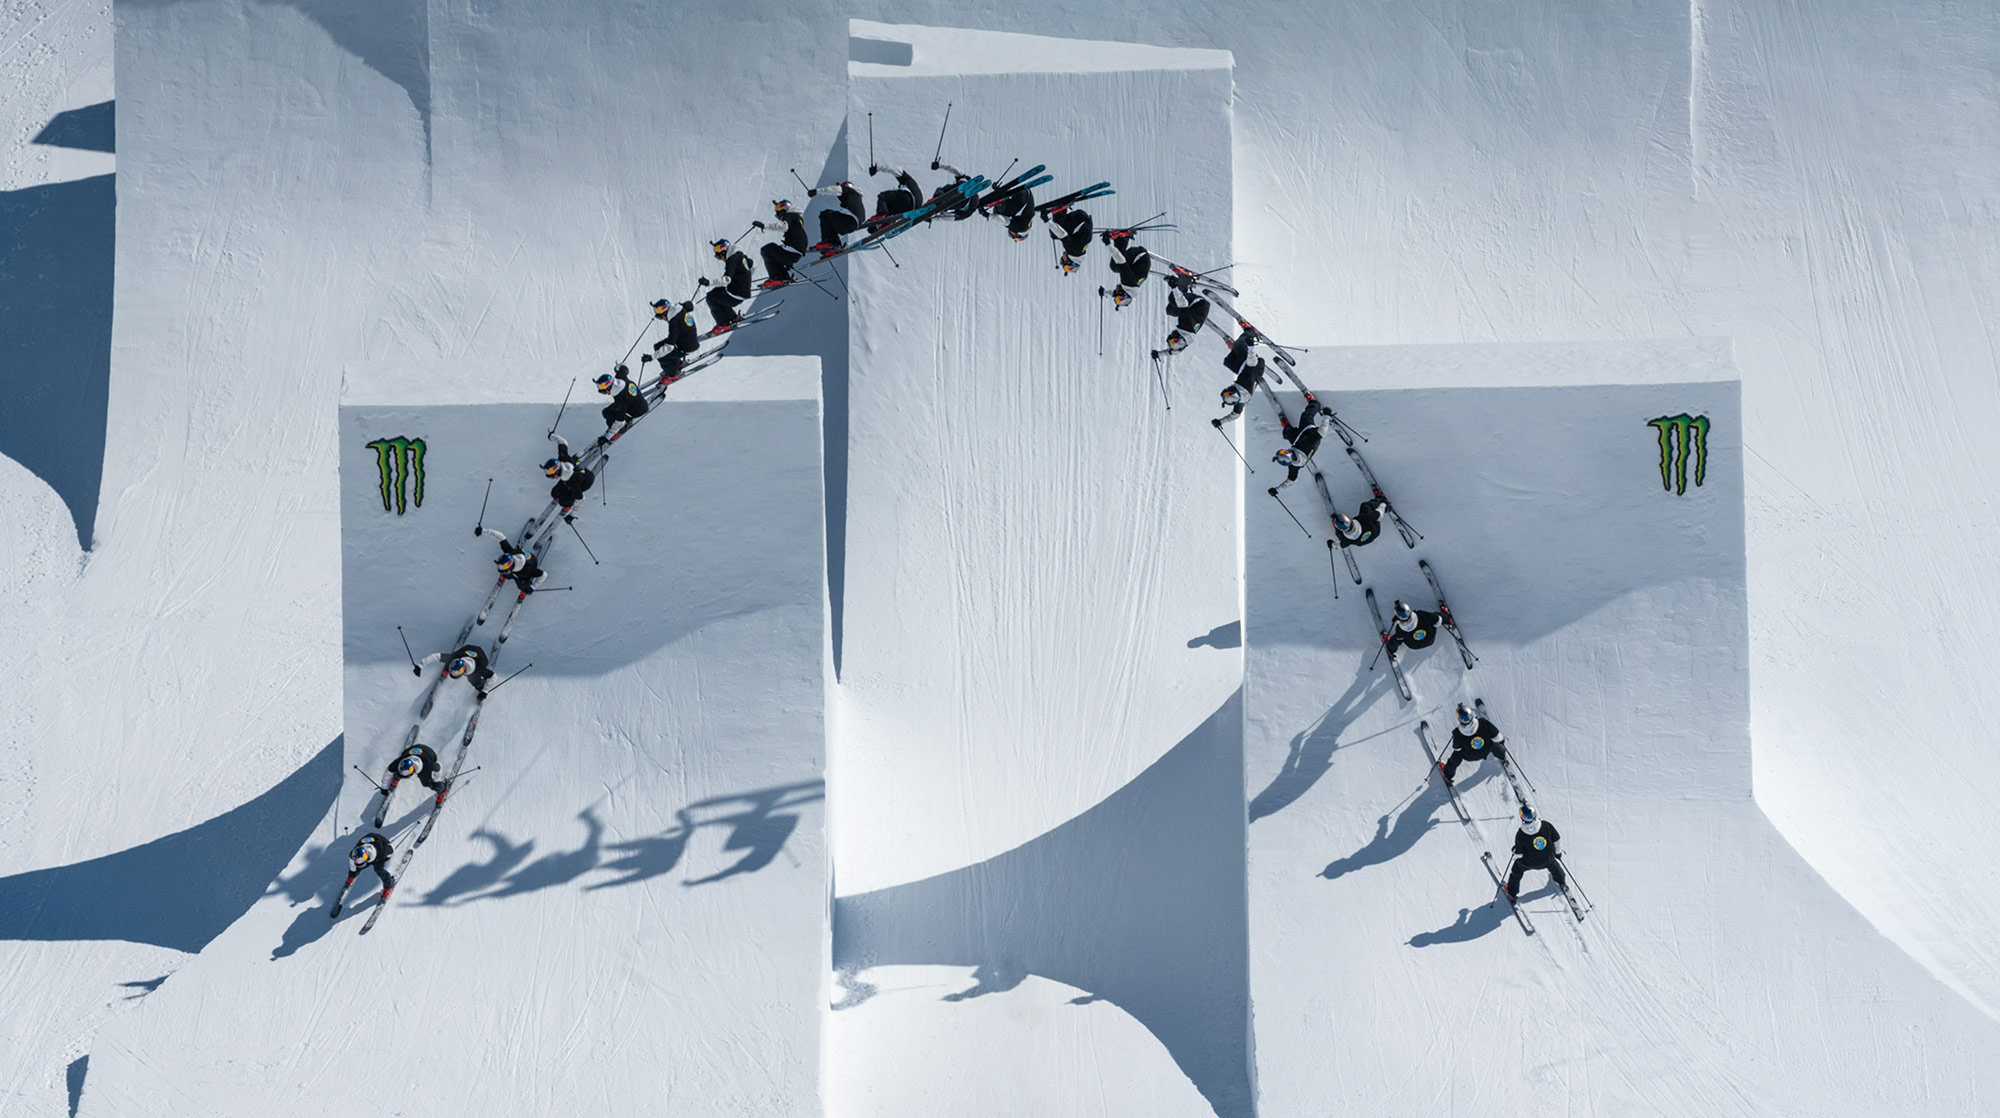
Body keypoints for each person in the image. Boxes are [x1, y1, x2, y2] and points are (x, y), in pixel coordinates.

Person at [1504, 804, 1567, 900]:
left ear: (1523, 818)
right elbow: (1556, 840)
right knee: (1553, 864)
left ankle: (1511, 892)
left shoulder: (1521, 834)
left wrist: (1515, 851)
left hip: (1531, 863)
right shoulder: (1546, 825)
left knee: (1517, 869)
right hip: (1548, 858)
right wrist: (1558, 854)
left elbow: (1519, 854)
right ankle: (1561, 881)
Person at [1440, 701, 1509, 783]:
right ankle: (1502, 756)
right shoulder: (1483, 722)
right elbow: (1497, 736)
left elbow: (1456, 748)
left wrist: (1456, 736)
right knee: (1494, 743)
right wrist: (1501, 742)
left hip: (1470, 756)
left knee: (1456, 756)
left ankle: (1448, 774)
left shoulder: (1458, 733)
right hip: (1486, 750)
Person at [703, 239, 755, 331]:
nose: (721, 259)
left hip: (736, 294)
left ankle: (723, 324)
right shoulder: (739, 255)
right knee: (717, 293)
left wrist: (709, 282)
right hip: (743, 291)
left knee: (710, 298)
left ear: (724, 252)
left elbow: (727, 279)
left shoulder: (732, 260)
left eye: (719, 257)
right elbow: (750, 263)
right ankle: (733, 318)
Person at [481, 528, 546, 596]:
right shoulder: (509, 552)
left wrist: (533, 586)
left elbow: (544, 575)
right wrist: (484, 531)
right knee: (508, 574)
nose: (499, 567)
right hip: (518, 563)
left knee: (521, 585)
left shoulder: (528, 570)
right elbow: (501, 537)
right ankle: (506, 575)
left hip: (529, 566)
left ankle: (523, 592)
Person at [758, 200, 808, 288]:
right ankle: (783, 276)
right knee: (775, 250)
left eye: (778, 210)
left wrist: (764, 226)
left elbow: (783, 226)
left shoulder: (789, 215)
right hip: (796, 252)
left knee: (766, 250)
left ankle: (777, 277)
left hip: (791, 252)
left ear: (783, 209)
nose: (778, 215)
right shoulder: (798, 218)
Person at [595, 365, 650, 443]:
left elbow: (620, 421)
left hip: (638, 411)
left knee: (608, 414)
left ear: (609, 388)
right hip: (638, 402)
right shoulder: (620, 378)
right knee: (606, 411)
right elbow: (624, 369)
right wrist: (618, 367)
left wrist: (608, 436)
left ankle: (619, 431)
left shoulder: (620, 402)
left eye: (604, 392)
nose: (606, 394)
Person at [417, 642, 494, 698]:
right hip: (467, 649)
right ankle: (446, 670)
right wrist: (420, 665)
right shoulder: (454, 658)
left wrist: (485, 690)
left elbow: (493, 676)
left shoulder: (478, 670)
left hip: (481, 656)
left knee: (474, 680)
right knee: (449, 661)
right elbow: (436, 656)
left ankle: (480, 688)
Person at [543, 434, 596, 515]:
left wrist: (573, 514)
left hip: (585, 483)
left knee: (564, 501)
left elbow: (580, 499)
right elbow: (562, 442)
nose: (553, 478)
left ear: (557, 471)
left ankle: (568, 505)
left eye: (552, 476)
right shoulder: (563, 458)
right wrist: (552, 436)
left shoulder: (572, 483)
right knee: (554, 493)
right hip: (576, 475)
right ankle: (561, 496)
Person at [1211, 354, 1269, 426]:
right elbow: (1251, 364)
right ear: (1233, 392)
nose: (1227, 387)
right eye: (1228, 391)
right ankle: (1233, 345)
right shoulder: (1244, 380)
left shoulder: (1241, 400)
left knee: (1230, 362)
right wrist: (1251, 348)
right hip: (1258, 364)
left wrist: (1221, 422)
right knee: (1229, 361)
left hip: (1256, 376)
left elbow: (1236, 414)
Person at [812, 181, 868, 250]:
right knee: (832, 221)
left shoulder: (848, 190)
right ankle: (833, 245)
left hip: (850, 220)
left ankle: (830, 242)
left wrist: (817, 191)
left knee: (825, 214)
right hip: (854, 224)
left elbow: (835, 190)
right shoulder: (856, 197)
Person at [1104, 231, 1152, 305]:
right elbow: (1121, 260)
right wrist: (1108, 244)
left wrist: (1105, 292)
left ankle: (1121, 239)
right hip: (1139, 255)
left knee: (1117, 267)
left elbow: (1115, 293)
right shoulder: (1127, 282)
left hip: (1140, 261)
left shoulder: (1131, 290)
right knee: (1115, 265)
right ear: (1121, 292)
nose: (1115, 290)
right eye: (1117, 293)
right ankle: (1122, 238)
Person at [1165, 277, 1210, 351]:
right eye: (1173, 339)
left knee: (1170, 310)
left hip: (1195, 309)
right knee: (1173, 298)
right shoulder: (1185, 325)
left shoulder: (1187, 339)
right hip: (1198, 302)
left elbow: (1178, 350)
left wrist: (1160, 354)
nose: (1172, 332)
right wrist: (1174, 287)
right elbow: (1182, 303)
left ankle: (1182, 286)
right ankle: (1184, 279)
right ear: (1177, 336)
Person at [1049, 205, 1093, 273]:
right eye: (1063, 259)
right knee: (1055, 234)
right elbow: (1062, 234)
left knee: (1059, 234)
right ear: (1068, 261)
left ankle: (1064, 210)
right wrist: (1047, 221)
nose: (1062, 256)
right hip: (1079, 219)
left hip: (1082, 218)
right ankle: (1059, 212)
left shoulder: (1079, 252)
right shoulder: (1072, 251)